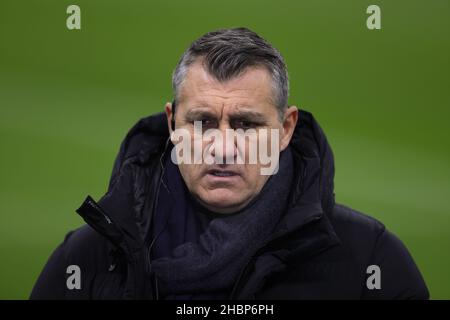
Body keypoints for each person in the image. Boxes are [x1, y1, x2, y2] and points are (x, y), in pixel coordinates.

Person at [30, 27, 429, 300]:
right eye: (202, 123)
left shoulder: (370, 260)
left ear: (286, 128)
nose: (223, 147)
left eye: (246, 124)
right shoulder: (88, 258)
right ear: (172, 124)